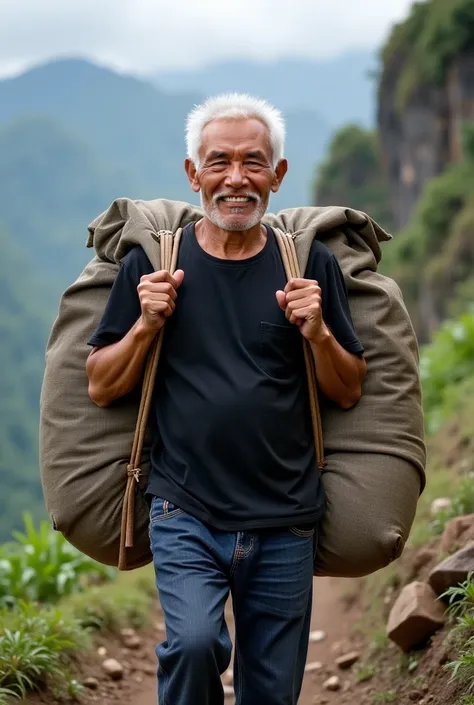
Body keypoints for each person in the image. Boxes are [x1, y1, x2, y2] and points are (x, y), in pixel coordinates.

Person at [86, 93, 367, 705]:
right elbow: (102, 384)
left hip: (286, 519)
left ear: (278, 175)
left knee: (271, 692)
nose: (236, 179)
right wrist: (144, 325)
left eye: (253, 162)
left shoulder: (308, 265)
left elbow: (348, 389)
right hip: (184, 511)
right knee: (190, 646)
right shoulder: (152, 265)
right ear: (193, 174)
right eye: (218, 162)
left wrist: (317, 332)